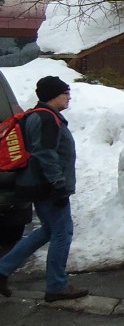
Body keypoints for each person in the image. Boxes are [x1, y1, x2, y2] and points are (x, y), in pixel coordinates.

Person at [0, 76, 88, 302]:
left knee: (49, 230)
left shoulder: (39, 115)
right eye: (65, 93)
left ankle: (3, 269)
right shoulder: (47, 118)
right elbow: (45, 154)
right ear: (53, 95)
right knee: (62, 233)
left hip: (37, 184)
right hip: (47, 186)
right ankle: (57, 286)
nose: (69, 97)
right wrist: (58, 185)